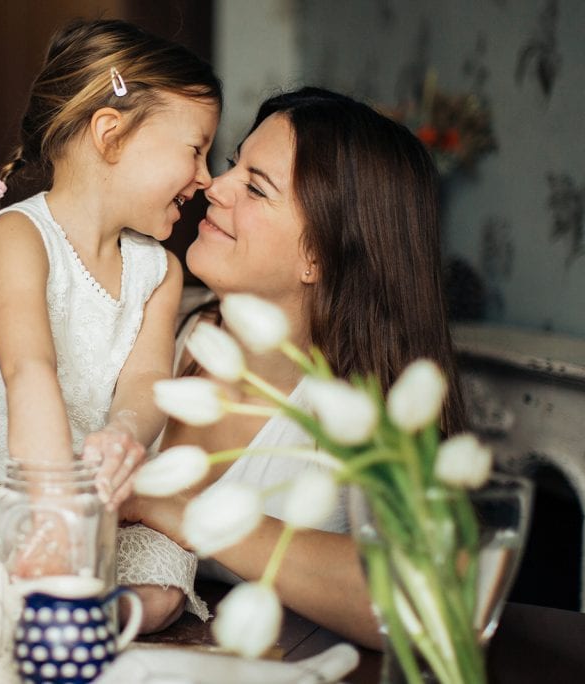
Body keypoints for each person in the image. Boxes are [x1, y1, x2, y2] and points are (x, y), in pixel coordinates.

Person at [120, 86, 466, 650]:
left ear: (318, 256)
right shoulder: (151, 321)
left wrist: (189, 512)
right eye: (235, 164)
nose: (214, 184)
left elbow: (425, 601)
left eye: (255, 187)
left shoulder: (364, 414)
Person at [0, 18, 221, 632]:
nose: (207, 177)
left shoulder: (159, 271)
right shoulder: (20, 237)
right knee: (10, 575)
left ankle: (85, 617)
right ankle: (54, 608)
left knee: (165, 575)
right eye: (196, 149)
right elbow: (30, 372)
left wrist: (127, 432)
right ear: (110, 134)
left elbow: (147, 380)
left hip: (89, 507)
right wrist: (52, 515)